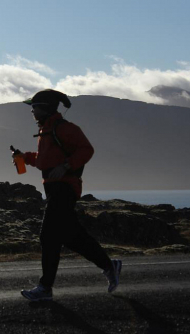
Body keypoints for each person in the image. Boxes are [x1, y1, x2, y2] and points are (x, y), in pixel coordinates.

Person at [15, 89, 122, 302]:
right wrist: (24, 157)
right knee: (71, 237)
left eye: (34, 108)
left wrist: (66, 166)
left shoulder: (64, 129)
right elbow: (45, 160)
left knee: (48, 236)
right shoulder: (47, 131)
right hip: (55, 188)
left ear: (44, 108)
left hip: (65, 188)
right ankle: (109, 266)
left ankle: (45, 288)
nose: (32, 112)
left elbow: (86, 150)